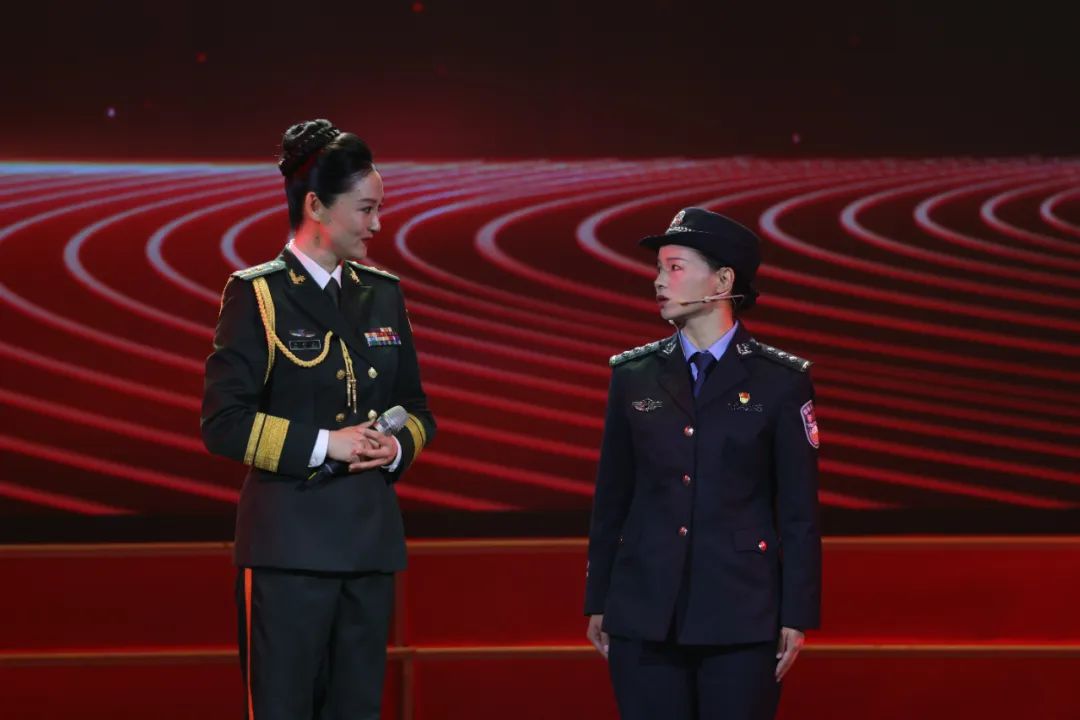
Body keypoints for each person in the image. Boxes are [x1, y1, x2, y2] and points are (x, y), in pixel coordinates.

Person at [201, 118, 436, 720]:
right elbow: (224, 422)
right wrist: (327, 443)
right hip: (288, 548)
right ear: (315, 206)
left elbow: (417, 409)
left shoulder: (384, 293)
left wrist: (395, 447)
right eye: (366, 209)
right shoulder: (257, 294)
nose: (377, 225)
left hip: (368, 546)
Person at [584, 207, 821, 720]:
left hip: (742, 612)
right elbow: (611, 499)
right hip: (644, 609)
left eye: (674, 268)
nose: (658, 281)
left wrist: (796, 614)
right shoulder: (633, 375)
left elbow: (798, 510)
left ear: (723, 281)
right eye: (658, 269)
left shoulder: (780, 380)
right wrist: (598, 599)